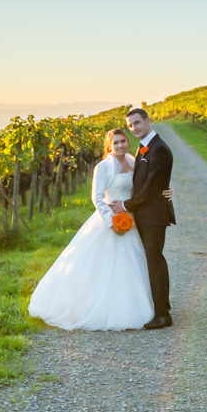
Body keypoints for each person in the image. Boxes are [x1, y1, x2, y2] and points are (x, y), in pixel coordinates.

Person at [27, 128, 172, 331]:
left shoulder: (133, 161)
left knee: (136, 261)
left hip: (131, 219)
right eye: (116, 143)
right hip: (111, 220)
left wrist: (168, 190)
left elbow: (147, 184)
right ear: (109, 145)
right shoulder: (103, 167)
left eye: (123, 141)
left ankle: (145, 307)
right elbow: (97, 198)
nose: (120, 145)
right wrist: (111, 221)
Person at [111, 108, 177, 329]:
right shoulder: (144, 147)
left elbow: (150, 189)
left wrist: (124, 205)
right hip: (145, 214)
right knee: (150, 260)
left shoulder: (159, 150)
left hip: (154, 216)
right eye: (131, 125)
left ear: (148, 121)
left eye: (137, 123)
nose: (134, 128)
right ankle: (156, 307)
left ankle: (163, 315)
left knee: (155, 261)